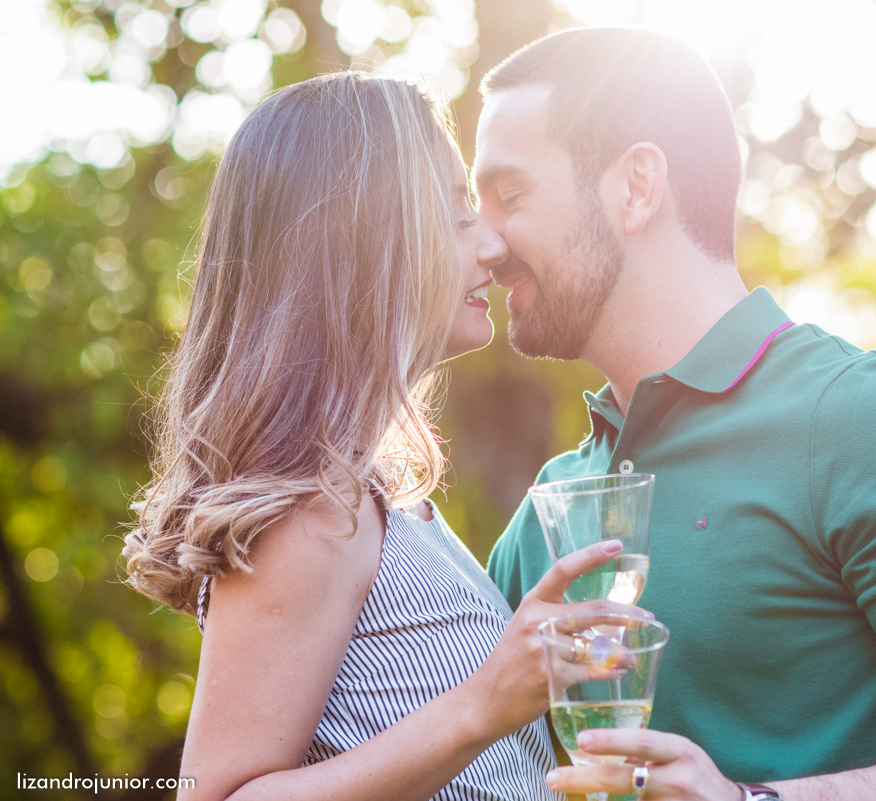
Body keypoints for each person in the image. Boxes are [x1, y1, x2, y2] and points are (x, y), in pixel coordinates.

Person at [476, 27, 876, 801]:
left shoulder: (868, 422)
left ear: (635, 186)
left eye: (511, 198)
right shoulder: (548, 514)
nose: (484, 244)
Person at [122, 72, 648, 801]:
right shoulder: (314, 510)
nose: (493, 245)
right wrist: (482, 706)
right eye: (456, 216)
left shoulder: (377, 501)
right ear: (363, 242)